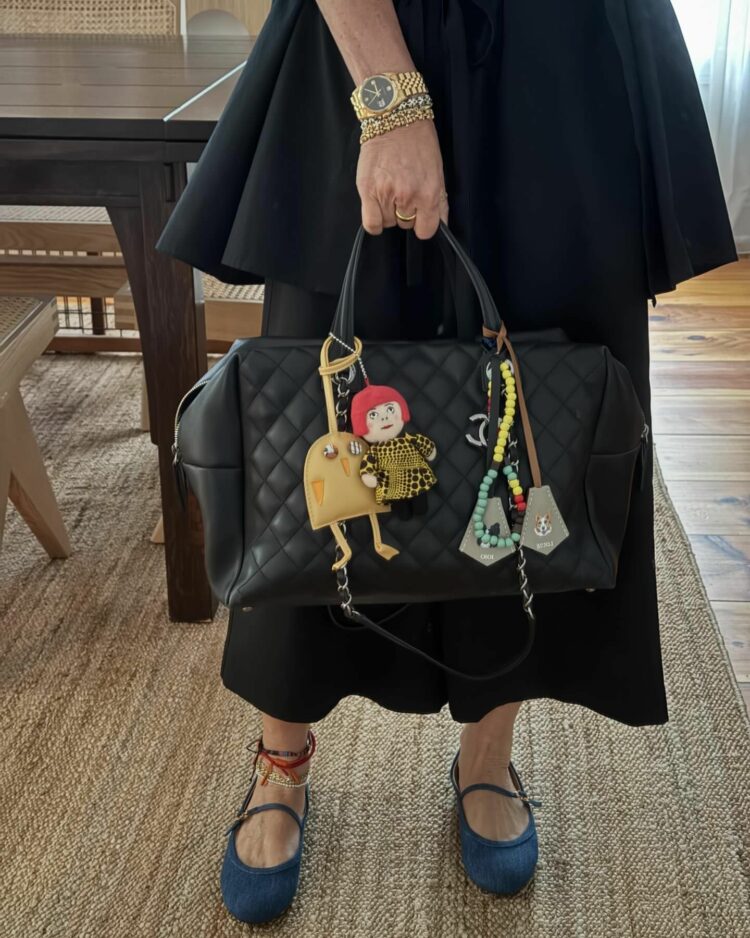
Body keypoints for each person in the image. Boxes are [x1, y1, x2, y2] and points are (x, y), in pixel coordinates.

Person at [156, 0, 738, 923]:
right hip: (378, 40)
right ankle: (282, 756)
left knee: (538, 415)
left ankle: (487, 750)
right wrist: (389, 99)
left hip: (570, 61)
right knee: (323, 412)